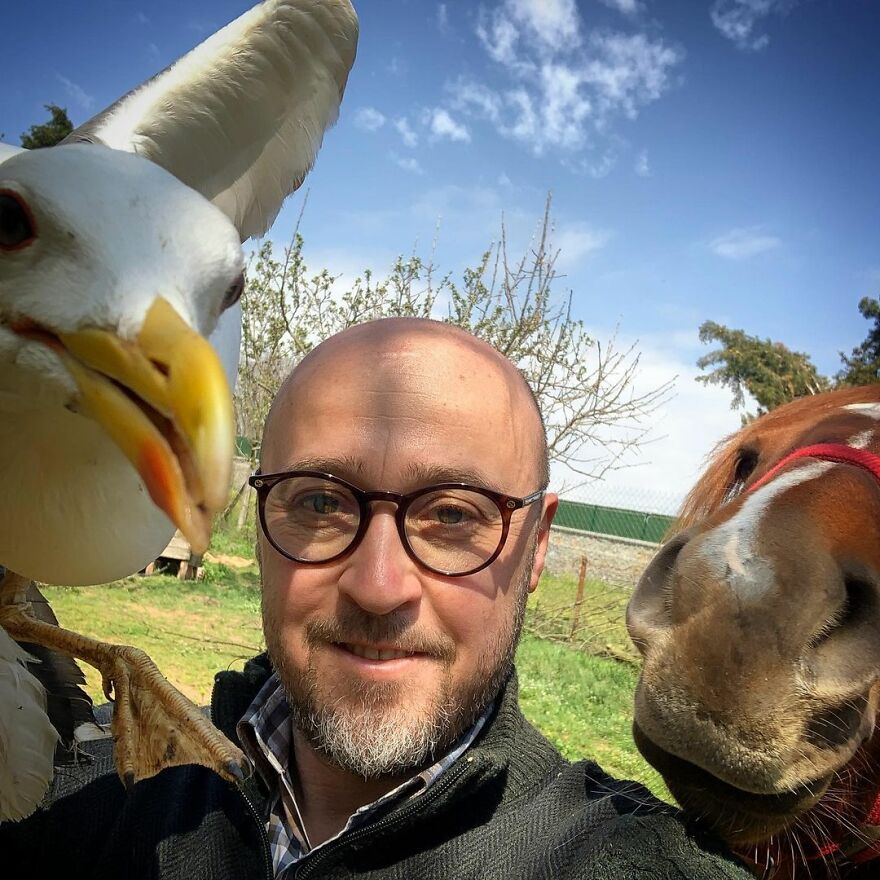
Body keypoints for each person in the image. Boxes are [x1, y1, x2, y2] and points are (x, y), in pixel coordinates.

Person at [1, 318, 752, 879]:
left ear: (537, 547)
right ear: (260, 524)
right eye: (321, 503)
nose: (379, 585)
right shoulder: (83, 797)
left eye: (453, 514)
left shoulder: (634, 864)